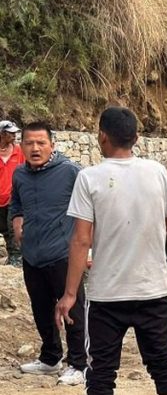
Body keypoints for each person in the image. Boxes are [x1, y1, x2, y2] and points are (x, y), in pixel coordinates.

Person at [54, 107, 167, 395]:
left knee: (101, 372)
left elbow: (81, 241)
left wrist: (69, 295)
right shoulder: (157, 172)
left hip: (106, 296)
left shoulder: (89, 178)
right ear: (137, 137)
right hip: (152, 291)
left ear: (102, 136)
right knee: (163, 365)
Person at [10, 122, 85, 385]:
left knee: (72, 308)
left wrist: (90, 247)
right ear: (21, 146)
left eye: (41, 142)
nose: (35, 148)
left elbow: (91, 207)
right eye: (29, 143)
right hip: (32, 255)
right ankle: (50, 358)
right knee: (41, 309)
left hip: (63, 254)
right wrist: (17, 218)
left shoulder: (71, 172)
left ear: (51, 144)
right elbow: (16, 203)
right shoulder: (19, 175)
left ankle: (79, 362)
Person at [0, 120, 24, 266]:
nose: (15, 136)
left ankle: (15, 258)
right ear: (2, 134)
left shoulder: (19, 151)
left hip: (13, 198)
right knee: (2, 228)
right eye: (11, 133)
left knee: (12, 228)